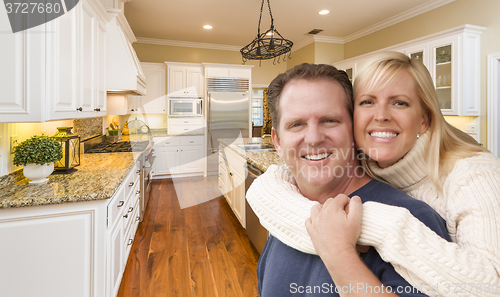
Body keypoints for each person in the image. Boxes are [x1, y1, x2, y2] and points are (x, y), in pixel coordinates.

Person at [246, 52, 500, 296]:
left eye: (330, 121)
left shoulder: (465, 181)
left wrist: (363, 236)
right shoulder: (287, 209)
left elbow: (490, 287)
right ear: (277, 141)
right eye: (296, 124)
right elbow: (267, 187)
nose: (313, 138)